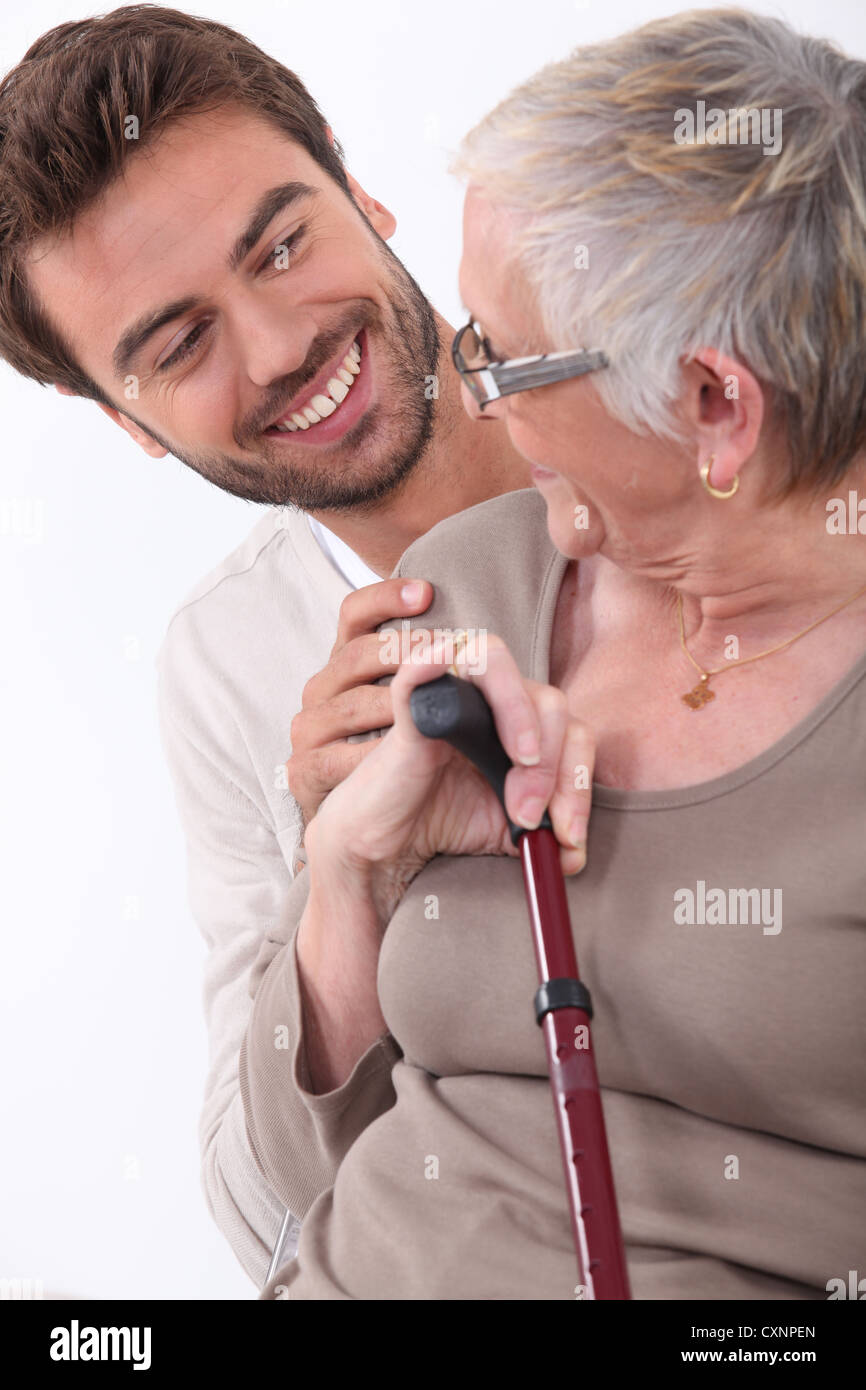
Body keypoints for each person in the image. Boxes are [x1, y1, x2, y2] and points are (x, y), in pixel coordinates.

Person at [243, 8, 866, 1300]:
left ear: (710, 403)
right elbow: (294, 1182)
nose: (472, 398)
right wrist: (349, 868)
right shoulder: (469, 585)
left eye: (503, 355)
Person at [0, 6, 530, 1288]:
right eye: (179, 345)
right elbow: (263, 1211)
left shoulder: (679, 380)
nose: (283, 344)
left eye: (283, 243)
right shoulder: (230, 665)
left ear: (359, 184)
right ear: (122, 419)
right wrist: (336, 872)